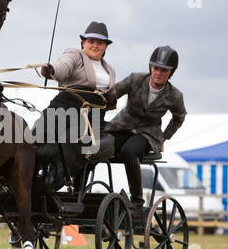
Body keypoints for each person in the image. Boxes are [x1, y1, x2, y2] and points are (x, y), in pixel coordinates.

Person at [34, 21, 117, 191]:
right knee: (35, 138)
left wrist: (111, 100)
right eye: (91, 41)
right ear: (83, 43)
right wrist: (51, 70)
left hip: (91, 114)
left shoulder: (110, 70)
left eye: (100, 42)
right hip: (65, 104)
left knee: (71, 144)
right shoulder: (75, 54)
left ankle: (49, 186)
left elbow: (109, 102)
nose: (95, 45)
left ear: (105, 47)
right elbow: (63, 67)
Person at [105, 46, 187, 217]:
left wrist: (164, 138)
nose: (158, 72)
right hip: (122, 126)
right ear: (150, 67)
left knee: (128, 150)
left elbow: (179, 117)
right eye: (155, 68)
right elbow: (114, 94)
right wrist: (106, 99)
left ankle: (136, 201)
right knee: (97, 145)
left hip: (147, 134)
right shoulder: (135, 79)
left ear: (171, 72)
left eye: (164, 70)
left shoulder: (175, 96)